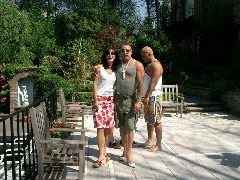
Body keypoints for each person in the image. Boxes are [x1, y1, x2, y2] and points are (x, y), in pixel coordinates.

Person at [114, 43, 144, 168]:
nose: (125, 52)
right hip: (118, 99)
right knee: (122, 126)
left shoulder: (137, 65)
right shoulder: (118, 65)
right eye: (123, 50)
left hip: (131, 100)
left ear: (131, 51)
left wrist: (139, 101)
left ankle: (129, 154)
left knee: (130, 127)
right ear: (120, 52)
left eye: (127, 50)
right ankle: (124, 151)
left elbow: (141, 84)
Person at [92, 48, 120, 168]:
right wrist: (96, 100)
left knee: (108, 128)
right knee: (100, 128)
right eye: (108, 53)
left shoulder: (117, 70)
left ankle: (104, 153)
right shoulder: (99, 68)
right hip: (100, 100)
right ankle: (101, 155)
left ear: (115, 56)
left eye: (113, 53)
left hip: (110, 101)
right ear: (105, 55)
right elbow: (95, 84)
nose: (110, 55)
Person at [141, 46, 163, 152]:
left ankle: (158, 144)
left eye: (143, 55)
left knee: (156, 121)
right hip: (148, 97)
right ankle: (150, 140)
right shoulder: (150, 64)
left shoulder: (156, 65)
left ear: (149, 54)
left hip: (153, 97)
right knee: (150, 120)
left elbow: (153, 82)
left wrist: (147, 96)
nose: (142, 57)